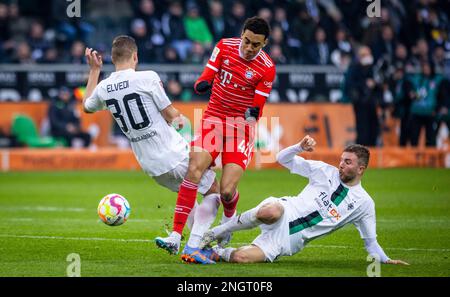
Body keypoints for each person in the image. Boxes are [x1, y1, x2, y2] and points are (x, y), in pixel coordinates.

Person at [82, 36, 222, 261]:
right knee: (213, 189)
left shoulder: (104, 88)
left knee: (186, 194)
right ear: (135, 56)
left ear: (112, 58)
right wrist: (180, 119)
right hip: (173, 154)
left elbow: (87, 107)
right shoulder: (148, 77)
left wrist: (94, 70)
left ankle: (189, 241)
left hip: (150, 165)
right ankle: (193, 244)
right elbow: (170, 114)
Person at [155, 16, 276, 264]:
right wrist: (203, 82)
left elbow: (258, 104)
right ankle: (176, 235)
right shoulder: (224, 46)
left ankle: (228, 220)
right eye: (247, 41)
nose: (250, 47)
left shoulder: (267, 67)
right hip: (214, 118)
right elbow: (209, 72)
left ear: (264, 44)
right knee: (194, 169)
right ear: (241, 34)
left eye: (256, 44)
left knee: (227, 190)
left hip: (241, 128)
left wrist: (253, 114)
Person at [200, 135, 409, 266]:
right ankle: (218, 232)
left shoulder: (364, 204)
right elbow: (282, 159)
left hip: (288, 241)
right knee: (270, 211)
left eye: (348, 162)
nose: (341, 165)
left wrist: (386, 260)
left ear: (361, 169)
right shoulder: (324, 171)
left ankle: (215, 252)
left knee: (240, 259)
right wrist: (298, 147)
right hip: (286, 210)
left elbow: (370, 243)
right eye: (341, 160)